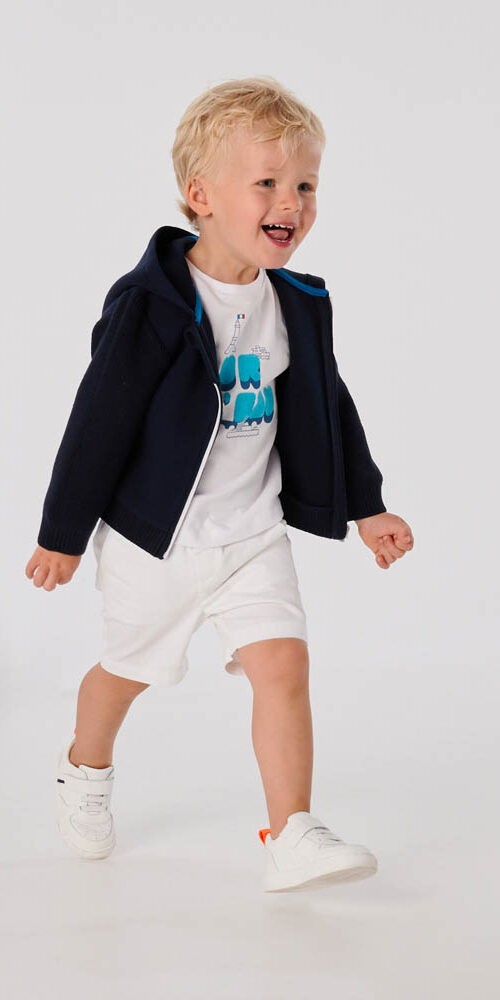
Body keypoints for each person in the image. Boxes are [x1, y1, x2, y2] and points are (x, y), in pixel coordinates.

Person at [26, 76, 414, 891]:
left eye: (306, 185)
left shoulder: (296, 303)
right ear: (201, 197)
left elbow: (328, 403)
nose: (292, 202)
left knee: (284, 669)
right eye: (267, 182)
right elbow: (98, 422)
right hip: (157, 541)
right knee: (125, 674)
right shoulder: (152, 305)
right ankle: (84, 765)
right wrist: (62, 534)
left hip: (251, 533)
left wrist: (368, 505)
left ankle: (292, 831)